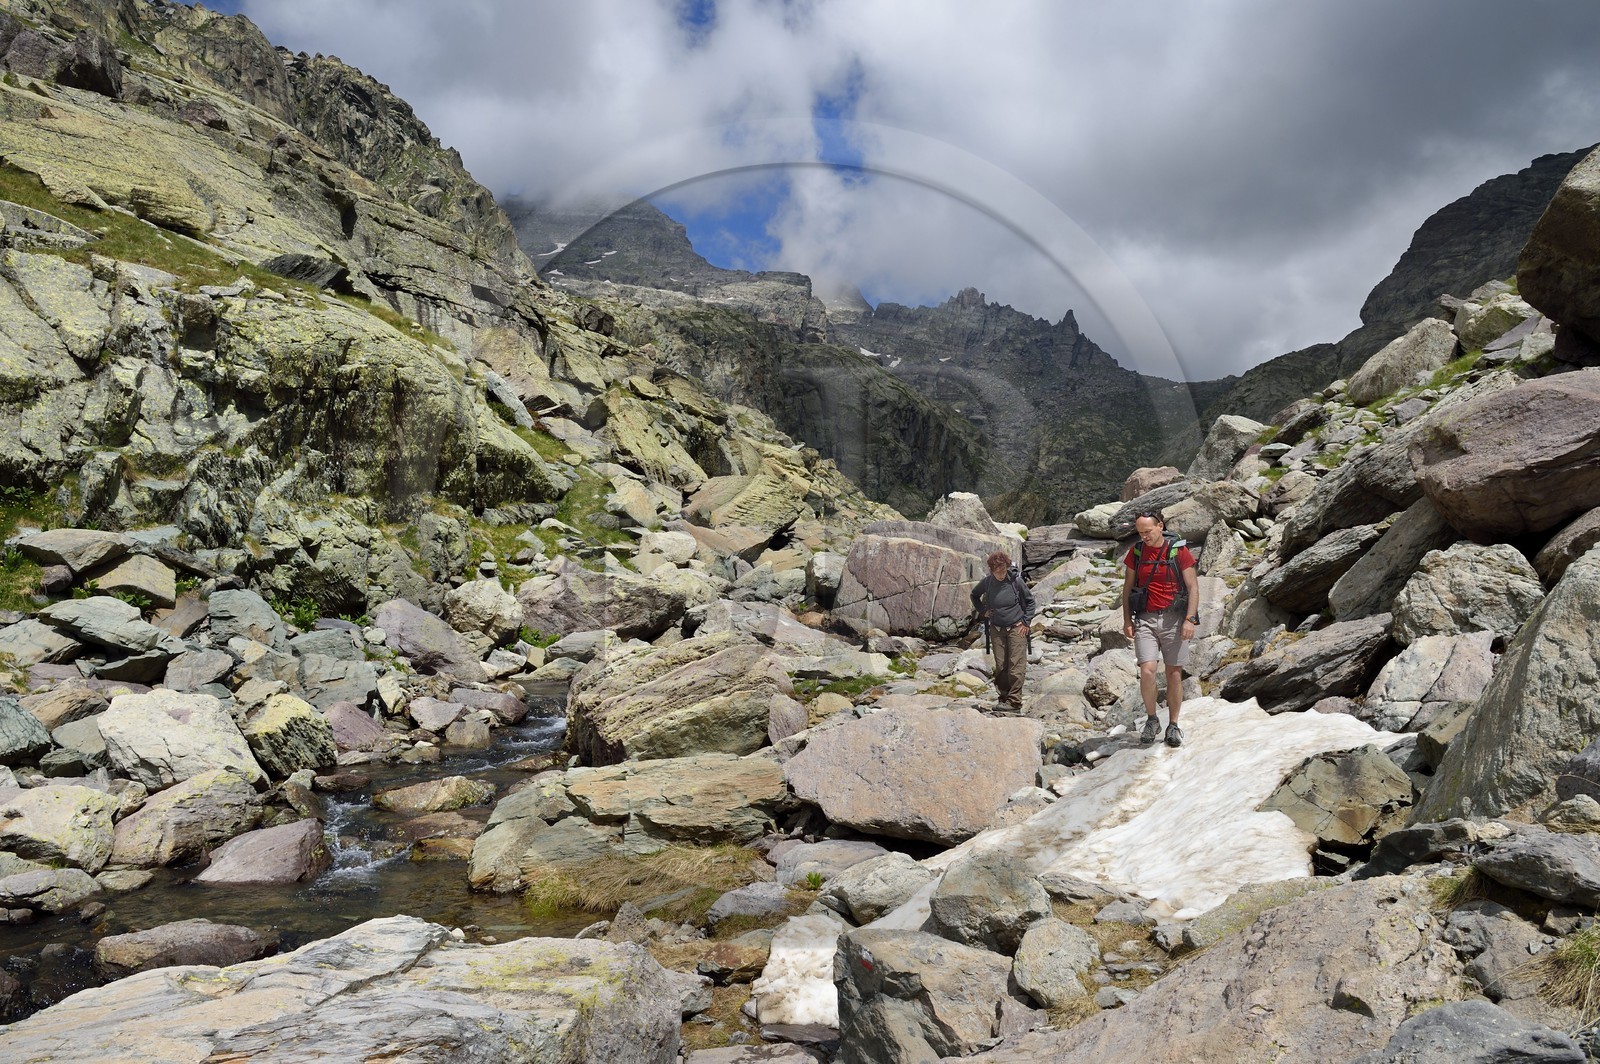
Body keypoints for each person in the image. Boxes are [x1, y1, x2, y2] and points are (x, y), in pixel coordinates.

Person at [1120, 510, 1199, 747]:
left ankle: (1173, 725)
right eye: (1140, 532)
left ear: (1160, 526)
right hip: (1145, 618)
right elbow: (1127, 588)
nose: (1144, 536)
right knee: (1147, 670)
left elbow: (1193, 587)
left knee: (1174, 673)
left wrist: (1190, 619)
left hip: (1175, 619)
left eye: (1148, 531)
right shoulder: (1136, 553)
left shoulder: (1179, 551)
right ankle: (1152, 719)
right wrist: (1127, 620)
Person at [970, 550, 1035, 712]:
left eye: (1003, 569)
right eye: (997, 570)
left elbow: (1030, 602)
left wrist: (1026, 622)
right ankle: (1004, 698)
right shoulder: (987, 582)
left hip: (1017, 628)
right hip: (997, 629)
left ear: (1007, 566)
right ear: (991, 569)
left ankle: (1014, 701)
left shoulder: (1015, 581)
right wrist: (983, 610)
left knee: (1016, 665)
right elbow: (974, 595)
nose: (1000, 573)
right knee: (1001, 665)